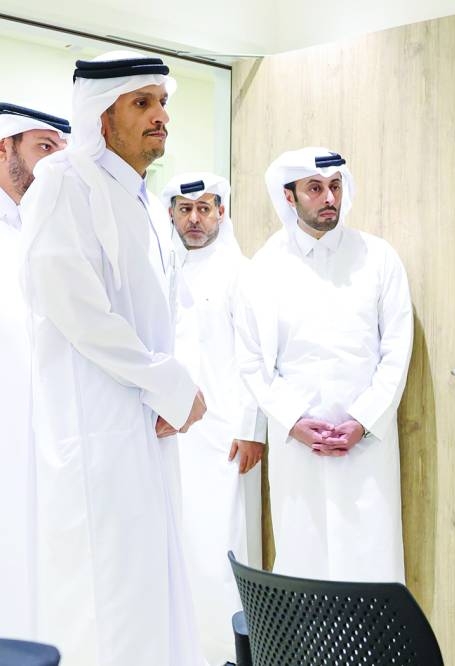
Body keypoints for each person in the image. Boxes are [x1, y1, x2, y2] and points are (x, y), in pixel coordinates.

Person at [19, 52, 207, 665]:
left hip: (145, 431)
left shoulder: (146, 203)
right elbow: (77, 309)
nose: (162, 116)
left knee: (151, 597)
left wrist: (162, 394)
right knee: (107, 606)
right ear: (103, 118)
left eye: (163, 103)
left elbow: (152, 317)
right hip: (96, 434)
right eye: (143, 103)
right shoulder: (63, 184)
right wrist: (169, 385)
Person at [236, 146, 413, 582]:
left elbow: (396, 350)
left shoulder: (379, 258)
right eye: (315, 188)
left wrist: (362, 419)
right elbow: (253, 361)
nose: (329, 197)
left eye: (335, 186)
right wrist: (293, 420)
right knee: (304, 561)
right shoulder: (263, 268)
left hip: (367, 442)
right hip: (298, 446)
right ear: (290, 196)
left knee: (369, 562)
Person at [162, 172, 264, 665]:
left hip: (226, 437)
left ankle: (229, 654)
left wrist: (251, 429)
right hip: (173, 435)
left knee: (222, 548)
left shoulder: (240, 274)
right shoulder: (164, 273)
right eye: (185, 209)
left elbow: (255, 360)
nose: (195, 219)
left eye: (205, 208)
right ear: (171, 216)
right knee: (180, 547)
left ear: (222, 212)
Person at [0, 102, 69, 640]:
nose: (54, 167)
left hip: (46, 433)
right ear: (5, 149)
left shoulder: (47, 229)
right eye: (43, 149)